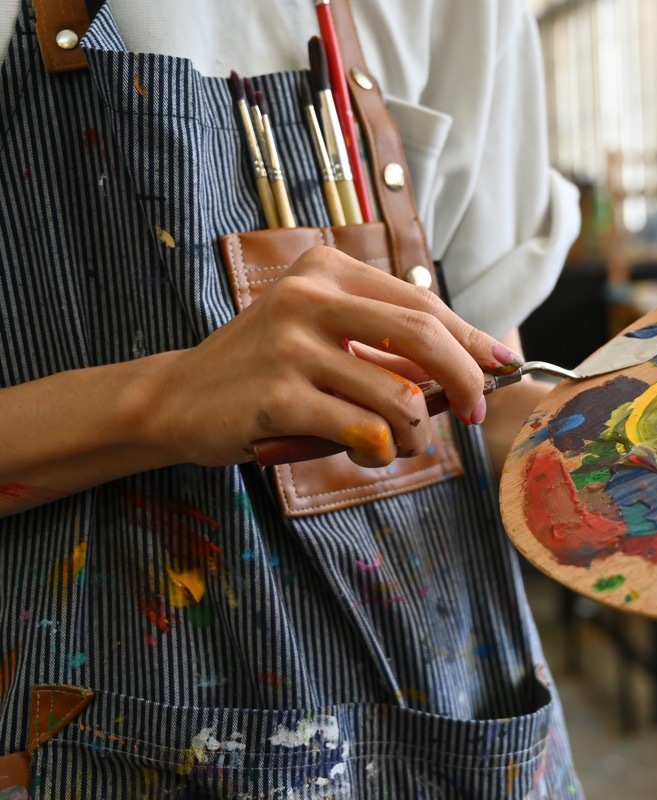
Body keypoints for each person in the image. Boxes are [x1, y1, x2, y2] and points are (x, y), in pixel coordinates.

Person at [0, 0, 582, 796]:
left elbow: (482, 397)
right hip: (116, 737)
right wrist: (163, 399)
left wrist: (600, 438)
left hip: (461, 715)